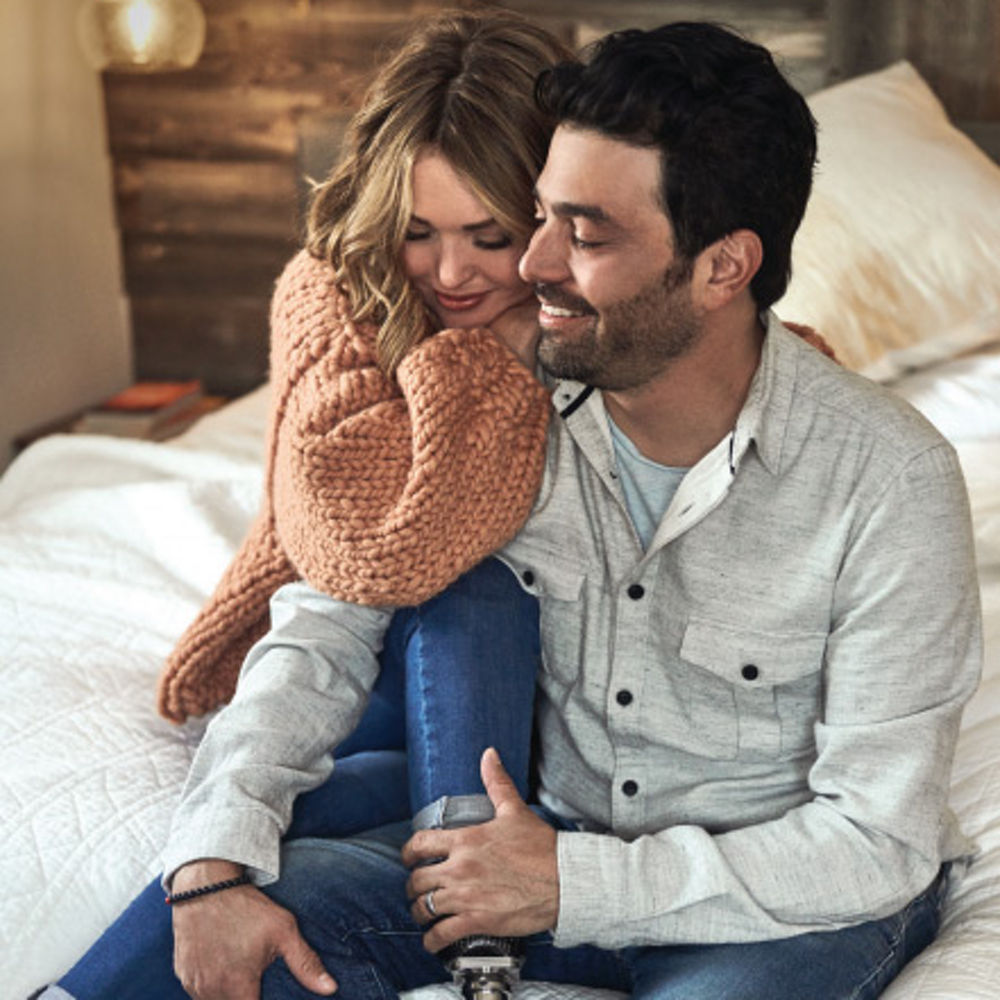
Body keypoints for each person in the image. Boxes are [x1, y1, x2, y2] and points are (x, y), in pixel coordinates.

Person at [138, 20, 975, 1000]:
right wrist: (209, 865)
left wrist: (571, 883)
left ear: (720, 267)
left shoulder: (888, 479)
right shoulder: (500, 405)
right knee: (211, 940)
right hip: (532, 862)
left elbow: (876, 840)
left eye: (579, 232)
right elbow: (326, 623)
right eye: (532, 219)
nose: (521, 268)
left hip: (771, 905)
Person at [40, 9, 571, 1000]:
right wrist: (490, 356)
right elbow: (369, 555)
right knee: (444, 621)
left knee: (352, 809)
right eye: (417, 233)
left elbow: (770, 376)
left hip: (530, 696)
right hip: (356, 664)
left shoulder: (604, 303)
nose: (450, 273)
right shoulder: (332, 293)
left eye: (489, 236)